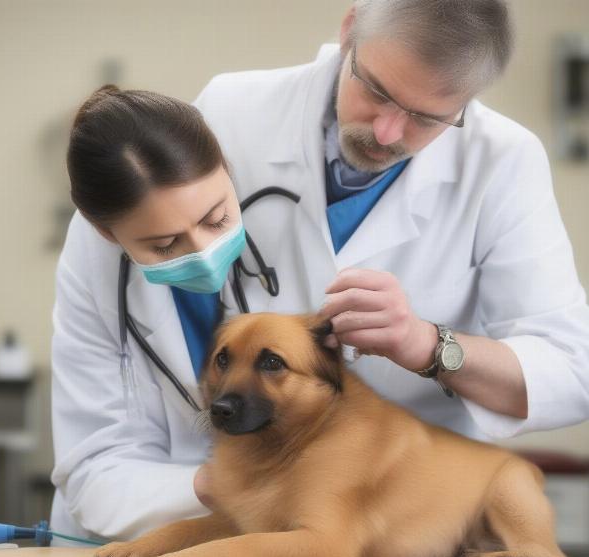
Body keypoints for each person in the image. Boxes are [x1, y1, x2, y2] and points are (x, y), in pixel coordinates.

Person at [193, 0, 589, 447]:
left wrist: (427, 346)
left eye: (426, 118)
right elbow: (150, 313)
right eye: (377, 92)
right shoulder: (230, 110)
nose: (387, 133)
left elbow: (571, 372)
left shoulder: (503, 160)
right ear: (349, 32)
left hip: (404, 486)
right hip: (233, 467)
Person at [50, 86, 248, 543]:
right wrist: (211, 484)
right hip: (125, 539)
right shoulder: (91, 264)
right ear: (106, 232)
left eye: (215, 220)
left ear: (227, 170)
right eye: (164, 246)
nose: (203, 253)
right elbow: (93, 468)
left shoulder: (284, 214)